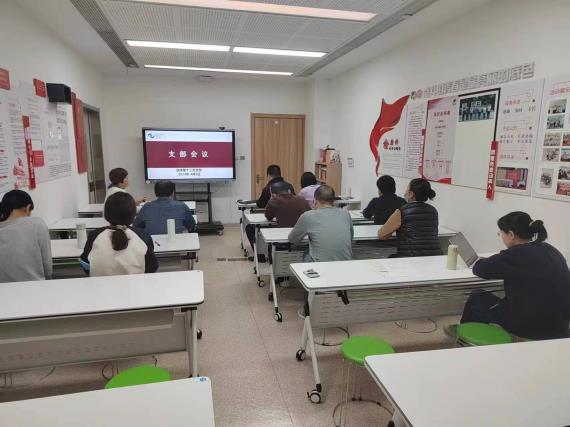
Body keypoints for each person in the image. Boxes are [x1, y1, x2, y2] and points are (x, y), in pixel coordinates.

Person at [460, 212, 570, 340]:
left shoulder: (516, 254)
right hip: (561, 325)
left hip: (533, 326)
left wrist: (482, 261)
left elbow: (480, 269)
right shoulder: (550, 249)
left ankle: (465, 339)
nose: (501, 236)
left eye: (501, 233)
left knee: (476, 298)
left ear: (511, 235)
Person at [81, 192, 158, 277]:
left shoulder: (94, 236)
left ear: (106, 214)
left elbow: (86, 266)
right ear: (133, 214)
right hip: (136, 285)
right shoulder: (143, 236)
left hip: (100, 285)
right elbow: (152, 267)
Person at [378, 178, 442, 257]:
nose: (405, 193)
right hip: (434, 256)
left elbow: (382, 235)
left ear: (411, 194)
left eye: (406, 190)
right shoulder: (433, 211)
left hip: (410, 257)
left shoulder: (402, 211)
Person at [289, 185, 353, 262]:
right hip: (346, 263)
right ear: (333, 201)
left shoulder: (308, 216)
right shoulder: (345, 214)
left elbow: (292, 239)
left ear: (315, 201)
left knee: (306, 253)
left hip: (321, 265)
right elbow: (351, 237)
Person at [0, 190, 52, 282]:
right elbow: (47, 266)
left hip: (4, 289)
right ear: (28, 208)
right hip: (34, 287)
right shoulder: (37, 224)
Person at [246, 164, 295, 262]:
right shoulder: (289, 186)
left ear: (268, 175)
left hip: (274, 223)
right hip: (290, 224)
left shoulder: (268, 188)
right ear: (280, 173)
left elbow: (260, 204)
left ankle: (259, 256)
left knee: (250, 228)